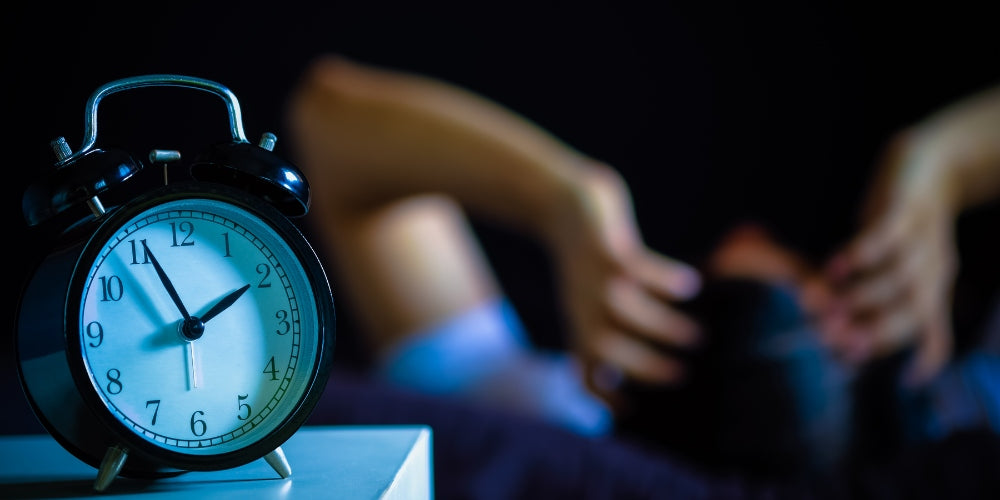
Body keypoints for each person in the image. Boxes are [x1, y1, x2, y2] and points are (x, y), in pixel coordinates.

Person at [286, 54, 1000, 474]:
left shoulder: (539, 416)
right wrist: (942, 164)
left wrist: (567, 196)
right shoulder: (980, 398)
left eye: (698, 276)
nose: (750, 227)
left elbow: (329, 119)